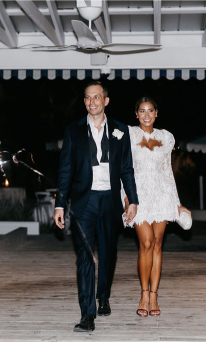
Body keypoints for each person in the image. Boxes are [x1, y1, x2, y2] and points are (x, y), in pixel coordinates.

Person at [53, 81, 139, 332]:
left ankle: (104, 296)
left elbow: (126, 169)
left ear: (106, 101)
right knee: (86, 257)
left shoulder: (121, 130)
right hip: (84, 201)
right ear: (85, 102)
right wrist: (60, 204)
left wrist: (132, 200)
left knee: (108, 251)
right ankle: (87, 314)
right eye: (88, 98)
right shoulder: (73, 130)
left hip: (110, 200)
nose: (92, 102)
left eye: (97, 97)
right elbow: (65, 170)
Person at [122, 97, 191, 317]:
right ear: (136, 114)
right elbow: (124, 170)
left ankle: (154, 295)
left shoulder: (166, 137)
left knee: (158, 244)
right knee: (146, 242)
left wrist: (178, 204)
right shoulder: (129, 135)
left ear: (156, 113)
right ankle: (143, 293)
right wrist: (126, 200)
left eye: (150, 111)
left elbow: (167, 172)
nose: (146, 115)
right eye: (141, 111)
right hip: (138, 196)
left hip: (162, 196)